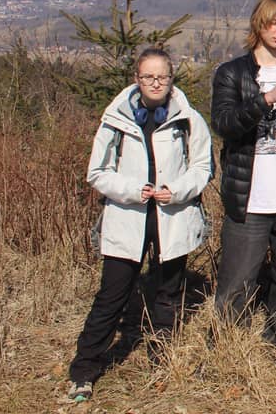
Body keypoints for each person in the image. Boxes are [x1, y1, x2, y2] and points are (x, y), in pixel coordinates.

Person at [67, 48, 212, 402]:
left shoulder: (188, 119)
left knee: (168, 295)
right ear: (137, 79)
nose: (156, 83)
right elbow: (97, 172)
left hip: (172, 218)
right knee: (112, 296)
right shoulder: (115, 119)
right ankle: (83, 372)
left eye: (162, 76)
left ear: (171, 79)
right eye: (148, 76)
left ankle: (162, 361)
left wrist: (175, 191)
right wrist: (133, 190)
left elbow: (202, 168)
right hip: (127, 219)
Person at [212, 0, 276, 349]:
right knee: (237, 278)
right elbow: (224, 124)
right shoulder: (232, 73)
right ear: (259, 23)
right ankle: (228, 347)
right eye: (274, 23)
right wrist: (266, 99)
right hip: (249, 197)